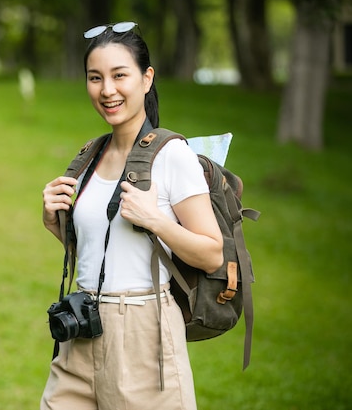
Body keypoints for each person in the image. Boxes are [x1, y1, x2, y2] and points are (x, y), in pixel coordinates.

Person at [40, 21, 223, 410]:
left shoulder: (173, 155)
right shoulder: (91, 156)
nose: (107, 90)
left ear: (146, 78)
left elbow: (211, 253)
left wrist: (155, 220)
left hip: (143, 333)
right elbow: (107, 249)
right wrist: (55, 222)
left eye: (119, 75)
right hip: (81, 329)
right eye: (95, 77)